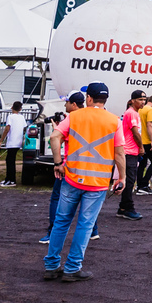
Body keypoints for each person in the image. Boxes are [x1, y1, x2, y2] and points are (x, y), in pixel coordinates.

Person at [43, 81, 125, 282]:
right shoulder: (114, 121)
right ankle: (72, 268)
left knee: (61, 222)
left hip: (71, 178)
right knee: (85, 225)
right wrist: (121, 178)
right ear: (105, 99)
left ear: (88, 98)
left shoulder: (74, 117)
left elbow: (54, 138)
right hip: (97, 183)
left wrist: (58, 163)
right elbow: (120, 153)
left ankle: (52, 266)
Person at [39, 92, 100, 244]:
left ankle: (52, 233)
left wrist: (58, 163)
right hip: (91, 167)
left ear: (73, 104)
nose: (65, 105)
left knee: (57, 198)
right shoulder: (92, 118)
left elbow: (55, 138)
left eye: (66, 102)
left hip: (70, 166)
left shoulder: (70, 119)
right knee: (88, 201)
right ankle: (93, 230)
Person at [117, 91, 146, 220]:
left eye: (144, 99)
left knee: (130, 180)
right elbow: (135, 133)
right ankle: (128, 208)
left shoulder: (132, 113)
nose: (143, 102)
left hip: (129, 151)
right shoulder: (132, 113)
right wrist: (141, 146)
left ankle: (123, 207)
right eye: (140, 99)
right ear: (133, 100)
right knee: (129, 181)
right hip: (129, 151)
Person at [136, 94, 152, 194]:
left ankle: (139, 185)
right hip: (147, 141)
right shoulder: (150, 110)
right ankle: (144, 183)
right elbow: (149, 125)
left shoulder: (140, 109)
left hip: (140, 140)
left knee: (142, 164)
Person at [0, 101, 26, 186]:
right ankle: (8, 179)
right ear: (20, 109)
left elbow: (7, 129)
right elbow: (24, 128)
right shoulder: (22, 117)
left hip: (12, 142)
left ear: (12, 107)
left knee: (10, 161)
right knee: (11, 160)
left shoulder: (10, 117)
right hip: (18, 142)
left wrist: (1, 140)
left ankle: (11, 180)